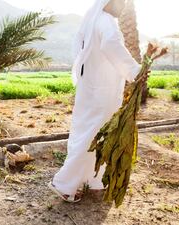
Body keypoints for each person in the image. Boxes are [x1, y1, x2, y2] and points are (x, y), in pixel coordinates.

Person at [48, 0, 142, 202]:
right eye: (121, 1)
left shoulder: (92, 19)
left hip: (90, 89)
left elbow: (80, 49)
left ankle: (93, 179)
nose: (123, 6)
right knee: (91, 137)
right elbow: (112, 46)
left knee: (89, 134)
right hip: (102, 92)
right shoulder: (106, 21)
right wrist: (136, 71)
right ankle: (64, 184)